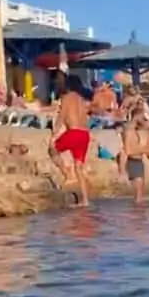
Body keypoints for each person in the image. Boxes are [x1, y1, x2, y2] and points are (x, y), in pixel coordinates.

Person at [49, 75, 91, 207]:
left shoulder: (67, 97)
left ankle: (67, 174)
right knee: (79, 167)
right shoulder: (82, 99)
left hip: (74, 132)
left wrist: (54, 134)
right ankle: (85, 200)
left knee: (52, 150)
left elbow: (62, 116)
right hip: (85, 134)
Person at [121, 110, 149, 205]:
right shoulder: (129, 132)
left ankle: (138, 217)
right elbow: (128, 151)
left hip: (138, 162)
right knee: (138, 196)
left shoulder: (134, 131)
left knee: (140, 195)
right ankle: (137, 216)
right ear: (136, 117)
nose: (144, 119)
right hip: (133, 162)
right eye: (142, 117)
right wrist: (143, 150)